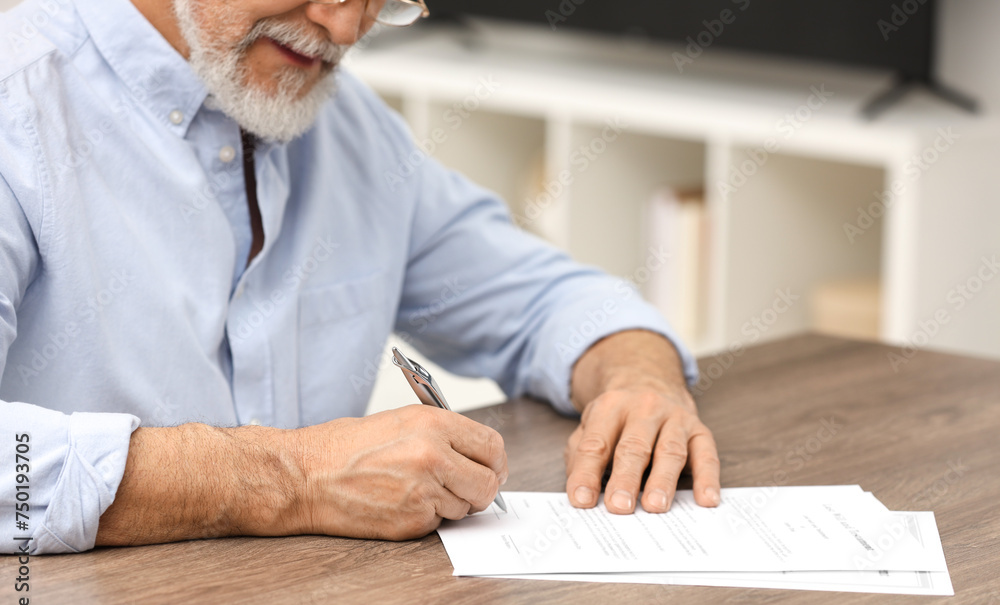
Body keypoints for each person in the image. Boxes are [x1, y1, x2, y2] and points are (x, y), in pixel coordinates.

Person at [0, 0, 720, 555]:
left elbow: (545, 300)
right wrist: (291, 477)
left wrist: (639, 377)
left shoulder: (344, 128)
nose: (345, 28)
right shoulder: (18, 108)